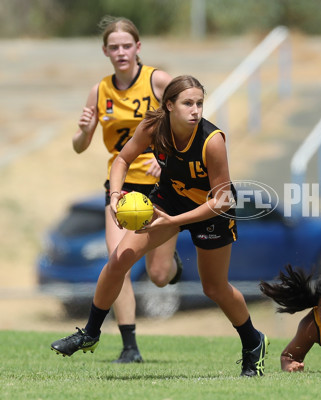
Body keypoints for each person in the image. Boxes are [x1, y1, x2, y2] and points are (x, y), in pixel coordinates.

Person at [51, 75, 269, 377]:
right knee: (119, 260)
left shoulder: (212, 140)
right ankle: (90, 333)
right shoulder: (154, 127)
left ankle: (253, 340)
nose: (196, 110)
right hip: (169, 200)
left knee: (214, 287)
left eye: (200, 103)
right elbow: (121, 160)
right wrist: (115, 196)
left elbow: (222, 200)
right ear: (169, 105)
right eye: (188, 103)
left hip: (211, 212)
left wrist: (175, 222)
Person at [70, 16, 182, 363]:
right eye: (113, 47)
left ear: (138, 47)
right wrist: (84, 131)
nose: (120, 52)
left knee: (159, 276)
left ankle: (172, 265)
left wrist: (167, 161)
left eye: (126, 45)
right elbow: (78, 146)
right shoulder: (99, 91)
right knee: (117, 261)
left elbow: (192, 122)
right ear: (105, 50)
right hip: (119, 186)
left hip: (160, 186)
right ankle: (129, 346)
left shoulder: (157, 81)